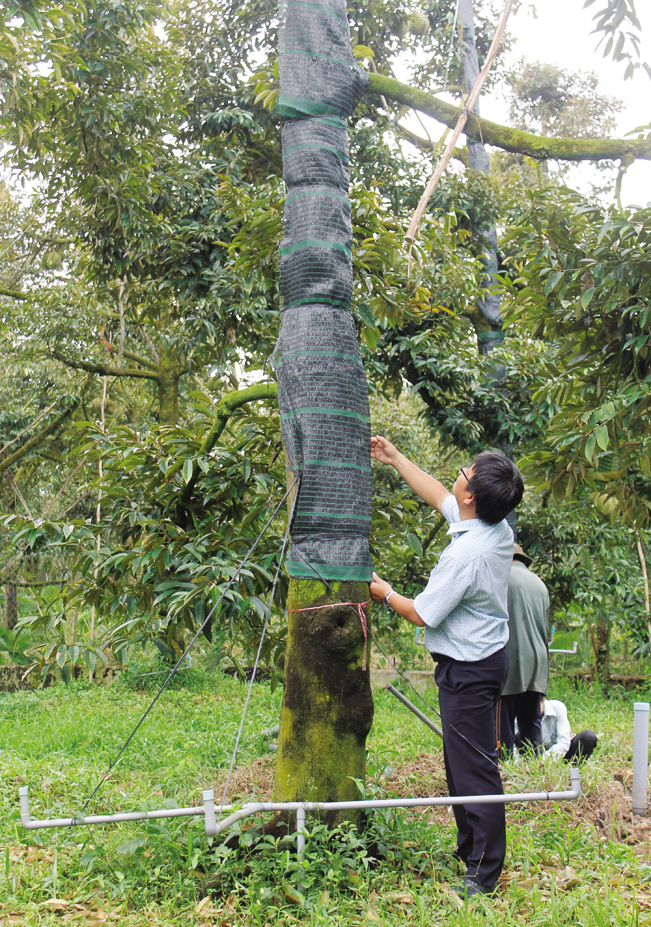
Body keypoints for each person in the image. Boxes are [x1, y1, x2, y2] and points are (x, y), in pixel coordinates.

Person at [368, 436, 524, 899]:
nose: (457, 475)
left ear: (472, 495)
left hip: (470, 668)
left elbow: (422, 613)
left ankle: (483, 872)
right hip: (482, 659)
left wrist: (385, 593)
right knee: (461, 764)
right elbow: (439, 495)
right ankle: (470, 848)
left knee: (474, 768)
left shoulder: (466, 555)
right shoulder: (494, 527)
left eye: (464, 471)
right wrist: (395, 457)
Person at [497, 544, 549, 758]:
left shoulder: (502, 578)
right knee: (531, 724)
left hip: (512, 658)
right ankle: (535, 774)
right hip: (538, 663)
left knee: (502, 724)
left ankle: (504, 772)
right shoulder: (539, 584)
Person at [541, 697, 598, 761]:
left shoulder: (557, 707)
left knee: (588, 736)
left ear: (543, 700)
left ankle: (575, 768)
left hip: (562, 753)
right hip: (535, 757)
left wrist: (543, 759)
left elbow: (564, 742)